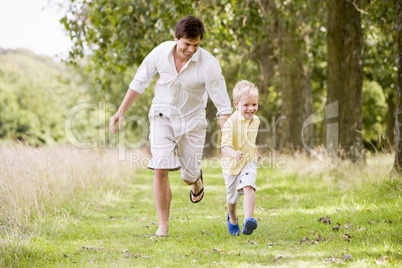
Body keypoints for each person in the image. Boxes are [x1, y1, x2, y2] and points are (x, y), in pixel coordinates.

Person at [110, 16, 232, 236]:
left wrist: (227, 142)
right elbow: (140, 82)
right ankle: (163, 227)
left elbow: (223, 107)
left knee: (187, 176)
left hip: (192, 124)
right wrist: (120, 111)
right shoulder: (160, 53)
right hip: (162, 117)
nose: (191, 50)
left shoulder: (209, 65)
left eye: (196, 45)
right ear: (176, 38)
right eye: (187, 45)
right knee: (160, 168)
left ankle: (196, 180)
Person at [221, 80, 261, 236]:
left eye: (254, 104)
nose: (251, 109)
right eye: (246, 105)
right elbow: (224, 147)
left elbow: (250, 139)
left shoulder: (256, 120)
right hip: (231, 165)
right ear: (236, 104)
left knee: (249, 186)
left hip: (248, 160)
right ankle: (232, 217)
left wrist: (255, 150)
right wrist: (234, 153)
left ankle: (248, 220)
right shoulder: (230, 123)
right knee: (232, 199)